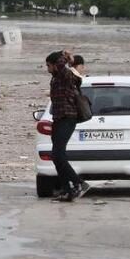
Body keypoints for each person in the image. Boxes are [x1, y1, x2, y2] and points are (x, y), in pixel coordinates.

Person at [46, 50, 89, 202]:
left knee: (58, 155)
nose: (48, 69)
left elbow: (60, 63)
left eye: (49, 65)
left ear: (55, 65)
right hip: (58, 119)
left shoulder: (66, 76)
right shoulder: (56, 77)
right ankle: (67, 191)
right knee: (57, 156)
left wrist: (62, 54)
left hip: (67, 118)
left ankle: (79, 183)